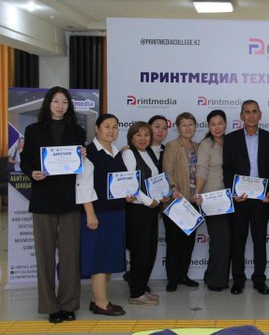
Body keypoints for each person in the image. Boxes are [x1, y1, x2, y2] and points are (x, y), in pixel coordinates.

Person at [20, 87, 86, 323]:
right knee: (45, 256)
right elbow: (25, 160)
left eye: (64, 102)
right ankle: (50, 306)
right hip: (43, 199)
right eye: (56, 101)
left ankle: (68, 304)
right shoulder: (33, 130)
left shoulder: (77, 131)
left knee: (70, 256)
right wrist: (32, 173)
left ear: (69, 106)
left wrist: (83, 155)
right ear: (48, 103)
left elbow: (80, 166)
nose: (60, 106)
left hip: (69, 199)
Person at [223, 100, 269, 295]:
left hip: (261, 199)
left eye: (254, 111)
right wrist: (233, 192)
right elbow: (227, 169)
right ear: (241, 116)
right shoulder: (231, 139)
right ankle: (238, 280)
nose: (251, 115)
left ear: (260, 115)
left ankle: (259, 279)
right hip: (240, 198)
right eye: (247, 112)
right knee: (238, 241)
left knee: (260, 240)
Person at [76, 113, 129, 316]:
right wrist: (90, 214)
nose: (111, 130)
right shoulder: (88, 153)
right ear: (97, 129)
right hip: (98, 214)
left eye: (115, 127)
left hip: (116, 212)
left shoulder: (116, 152)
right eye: (107, 126)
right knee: (98, 258)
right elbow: (83, 186)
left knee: (107, 258)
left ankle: (96, 299)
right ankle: (101, 303)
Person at [122, 122, 166, 306]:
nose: (143, 139)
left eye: (146, 135)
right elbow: (130, 185)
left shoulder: (148, 153)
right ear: (131, 137)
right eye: (138, 135)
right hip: (138, 210)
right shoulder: (128, 154)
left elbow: (154, 181)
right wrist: (149, 201)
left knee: (149, 252)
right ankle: (136, 293)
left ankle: (141, 288)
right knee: (140, 252)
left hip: (151, 209)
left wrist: (161, 196)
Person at [162, 112, 200, 292]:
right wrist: (173, 188)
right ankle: (172, 278)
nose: (188, 128)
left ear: (195, 127)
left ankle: (183, 275)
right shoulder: (172, 146)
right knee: (174, 242)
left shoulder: (199, 146)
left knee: (188, 242)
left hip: (193, 202)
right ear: (178, 128)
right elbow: (167, 170)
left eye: (191, 124)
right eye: (184, 125)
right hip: (176, 201)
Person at [193, 110, 231, 291]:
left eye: (220, 123)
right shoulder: (206, 145)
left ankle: (218, 277)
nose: (217, 127)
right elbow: (201, 170)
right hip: (212, 199)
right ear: (208, 126)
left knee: (226, 240)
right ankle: (215, 280)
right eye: (213, 124)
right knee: (219, 240)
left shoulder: (231, 142)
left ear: (226, 124)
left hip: (231, 199)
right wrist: (197, 192)